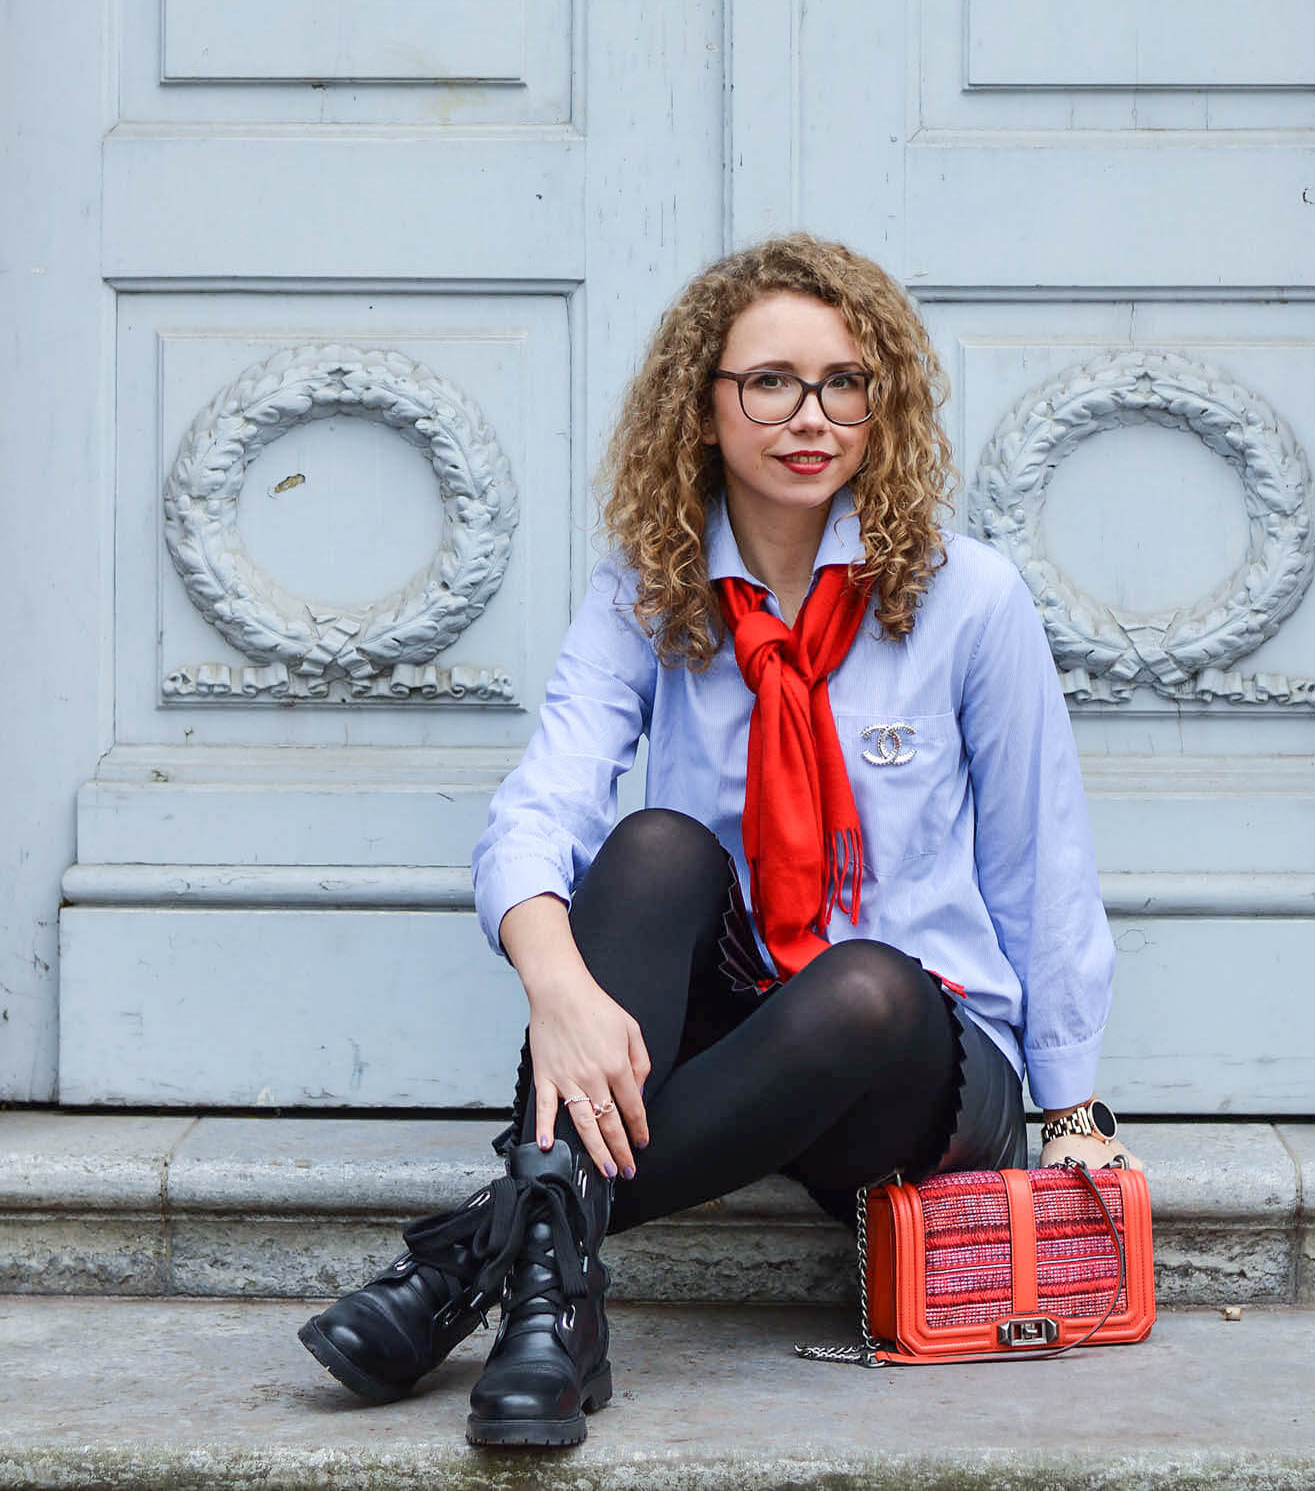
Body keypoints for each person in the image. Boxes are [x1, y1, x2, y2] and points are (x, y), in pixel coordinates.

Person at [299, 233, 1135, 1446]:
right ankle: (554, 1312)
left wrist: (1074, 1114)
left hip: (924, 1067)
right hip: (747, 1036)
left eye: (846, 381)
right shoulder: (651, 588)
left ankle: (470, 1269)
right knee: (654, 848)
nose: (813, 415)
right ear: (703, 407)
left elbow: (1039, 859)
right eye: (771, 382)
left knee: (863, 985)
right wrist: (557, 983)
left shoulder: (968, 597)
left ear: (879, 403)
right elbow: (540, 810)